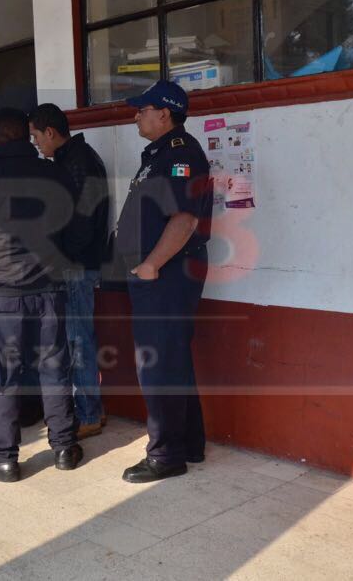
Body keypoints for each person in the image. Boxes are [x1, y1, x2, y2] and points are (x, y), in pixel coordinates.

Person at [0, 108, 82, 483]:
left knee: (0, 371)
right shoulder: (55, 173)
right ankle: (65, 447)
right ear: (27, 136)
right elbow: (74, 228)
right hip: (49, 288)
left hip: (0, 291)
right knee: (53, 367)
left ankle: (3, 457)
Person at [114, 80, 213, 483]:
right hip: (158, 273)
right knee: (172, 358)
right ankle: (188, 442)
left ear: (164, 114)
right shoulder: (159, 154)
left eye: (143, 109)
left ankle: (165, 454)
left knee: (157, 363)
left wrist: (151, 265)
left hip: (166, 274)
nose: (136, 115)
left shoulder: (181, 154)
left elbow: (184, 219)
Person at [29, 103, 110, 440]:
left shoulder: (80, 164)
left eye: (36, 137)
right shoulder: (71, 160)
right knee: (76, 338)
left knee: (78, 340)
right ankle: (92, 409)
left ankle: (89, 413)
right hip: (77, 263)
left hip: (77, 266)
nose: (36, 144)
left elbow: (82, 224)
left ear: (50, 132)